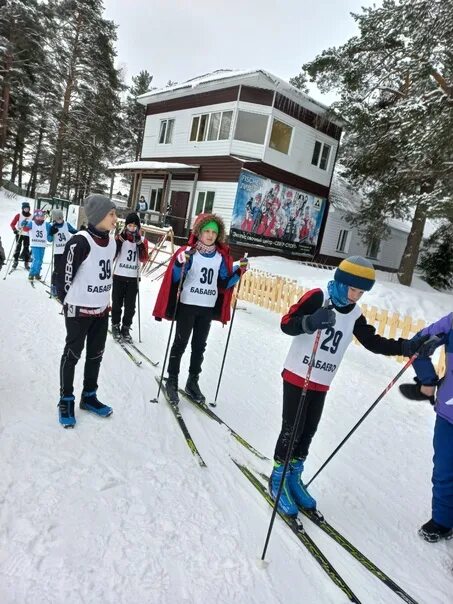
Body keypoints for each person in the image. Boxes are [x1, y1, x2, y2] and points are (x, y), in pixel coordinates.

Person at [270, 255, 436, 516]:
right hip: (298, 374)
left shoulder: (355, 314)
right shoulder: (318, 298)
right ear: (340, 282)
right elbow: (286, 323)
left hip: (322, 381)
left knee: (308, 431)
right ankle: (277, 478)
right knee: (293, 428)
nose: (355, 296)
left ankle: (294, 476)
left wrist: (406, 346)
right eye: (352, 289)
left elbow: (373, 342)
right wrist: (310, 322)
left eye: (361, 292)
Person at [153, 213, 248, 405]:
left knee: (199, 347)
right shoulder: (188, 251)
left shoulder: (220, 257)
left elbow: (224, 282)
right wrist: (181, 263)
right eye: (207, 231)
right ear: (199, 232)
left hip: (206, 307)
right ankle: (172, 380)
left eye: (214, 232)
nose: (210, 235)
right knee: (180, 344)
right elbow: (174, 279)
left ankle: (192, 381)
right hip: (188, 305)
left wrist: (239, 272)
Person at [56, 194, 117, 428]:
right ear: (99, 216)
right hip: (79, 311)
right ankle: (66, 399)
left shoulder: (111, 242)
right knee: (72, 355)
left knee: (96, 355)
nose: (115, 218)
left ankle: (89, 396)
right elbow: (64, 278)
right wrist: (70, 303)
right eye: (111, 214)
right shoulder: (79, 241)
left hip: (101, 310)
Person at [399, 313, 453, 542]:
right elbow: (416, 344)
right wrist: (427, 381)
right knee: (444, 470)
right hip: (449, 415)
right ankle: (442, 520)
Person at [111, 212, 149, 342]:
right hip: (119, 275)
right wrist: (120, 241)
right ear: (126, 225)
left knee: (130, 306)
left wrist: (139, 244)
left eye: (134, 226)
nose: (132, 228)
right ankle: (115, 325)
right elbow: (112, 255)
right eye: (130, 225)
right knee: (117, 304)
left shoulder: (142, 240)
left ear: (138, 227)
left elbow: (144, 259)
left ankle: (126, 327)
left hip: (133, 278)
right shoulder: (120, 237)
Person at [48, 209, 78, 296]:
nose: (61, 220)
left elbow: (74, 231)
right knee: (57, 270)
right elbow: (49, 239)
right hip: (57, 251)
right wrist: (51, 233)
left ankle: (63, 286)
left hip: (67, 251)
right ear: (54, 219)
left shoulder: (66, 224)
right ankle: (53, 286)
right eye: (58, 218)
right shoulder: (52, 226)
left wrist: (81, 231)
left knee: (66, 269)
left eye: (61, 218)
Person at [21, 208, 51, 281]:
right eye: (38, 216)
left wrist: (53, 229)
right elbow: (25, 229)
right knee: (36, 259)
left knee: (40, 260)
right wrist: (23, 224)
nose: (40, 218)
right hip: (35, 244)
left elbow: (51, 230)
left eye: (42, 216)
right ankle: (31, 274)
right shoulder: (32, 223)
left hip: (42, 244)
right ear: (35, 216)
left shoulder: (46, 224)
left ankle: (37, 273)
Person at [10, 201, 32, 270]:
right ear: (22, 209)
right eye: (25, 208)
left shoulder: (31, 216)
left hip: (27, 235)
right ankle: (15, 261)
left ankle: (26, 262)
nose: (26, 210)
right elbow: (12, 224)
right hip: (19, 233)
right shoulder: (19, 215)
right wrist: (14, 230)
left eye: (27, 208)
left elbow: (34, 224)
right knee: (18, 247)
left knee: (26, 248)